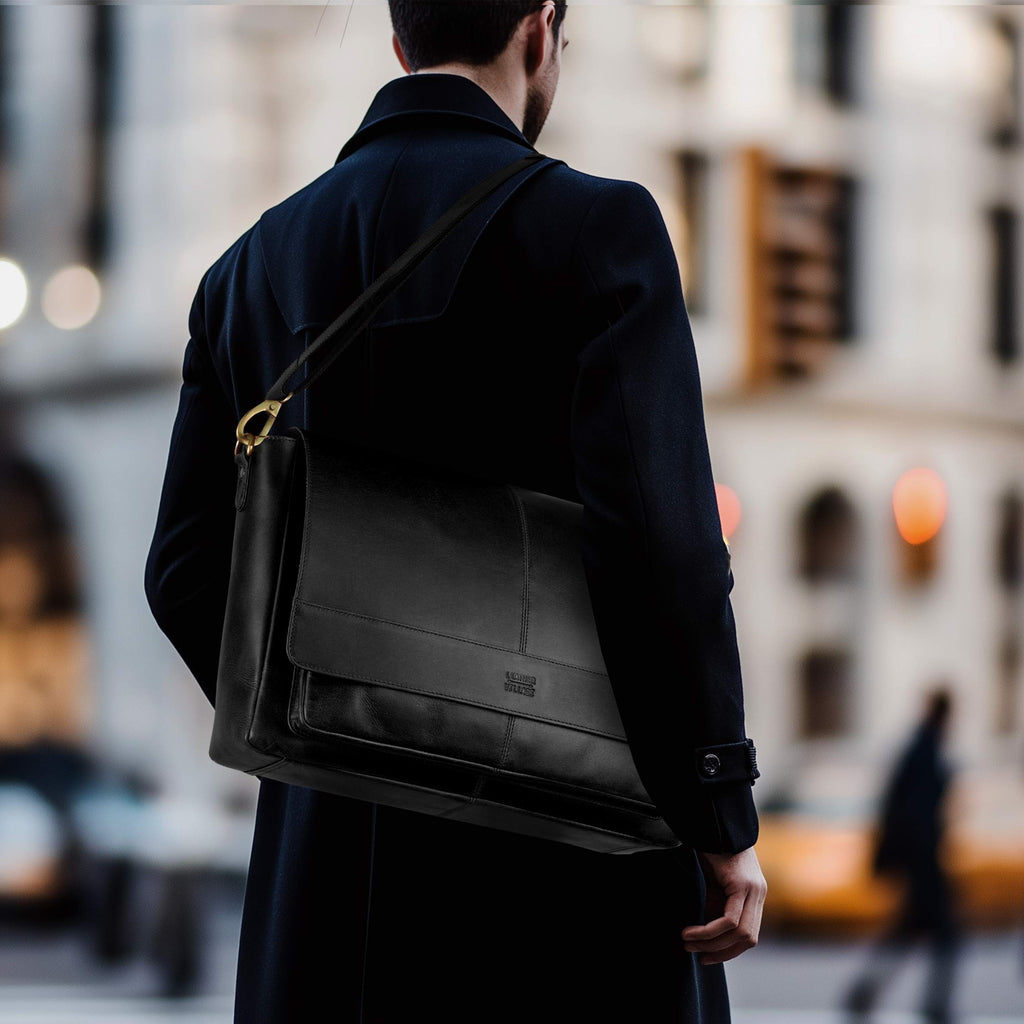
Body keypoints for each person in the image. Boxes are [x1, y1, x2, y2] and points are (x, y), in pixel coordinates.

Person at [144, 2, 766, 1020]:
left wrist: (335, 718)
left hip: (327, 879)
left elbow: (181, 569)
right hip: (564, 868)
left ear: (402, 44)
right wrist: (719, 810)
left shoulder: (243, 273)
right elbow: (661, 553)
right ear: (539, 28)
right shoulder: (600, 229)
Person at [841, 686, 962, 1024]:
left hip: (921, 862)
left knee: (908, 933)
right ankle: (935, 1006)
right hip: (923, 863)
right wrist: (927, 864)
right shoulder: (925, 749)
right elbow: (915, 814)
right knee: (945, 936)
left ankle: (864, 993)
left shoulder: (923, 746)